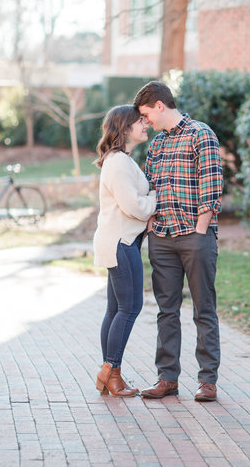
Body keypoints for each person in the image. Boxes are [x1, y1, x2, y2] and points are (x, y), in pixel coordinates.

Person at [134, 81, 224, 402]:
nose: (146, 122)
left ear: (160, 106)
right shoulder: (156, 146)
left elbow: (211, 185)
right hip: (162, 238)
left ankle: (207, 381)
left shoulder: (201, 134)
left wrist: (201, 232)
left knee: (203, 309)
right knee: (166, 311)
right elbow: (150, 191)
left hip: (194, 237)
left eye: (146, 115)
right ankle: (167, 378)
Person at [92, 105, 157, 397]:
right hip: (121, 243)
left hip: (116, 240)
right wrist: (158, 198)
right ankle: (110, 371)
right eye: (139, 121)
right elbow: (133, 206)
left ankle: (110, 372)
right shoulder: (118, 162)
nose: (145, 124)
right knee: (130, 308)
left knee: (116, 309)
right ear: (125, 128)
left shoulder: (121, 160)